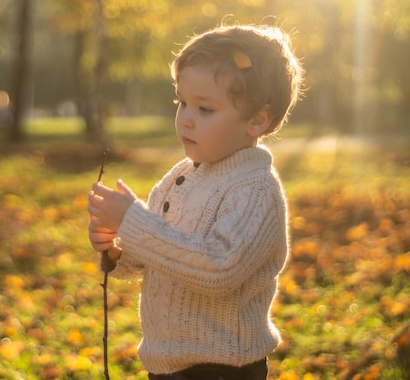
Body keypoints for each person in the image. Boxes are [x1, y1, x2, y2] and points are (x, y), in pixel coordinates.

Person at [87, 24, 304, 380]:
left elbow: (218, 268)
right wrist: (116, 251)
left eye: (204, 109)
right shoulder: (181, 177)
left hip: (221, 368)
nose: (185, 119)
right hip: (167, 365)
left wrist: (135, 221)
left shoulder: (254, 189)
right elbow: (157, 256)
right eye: (181, 102)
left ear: (257, 120)